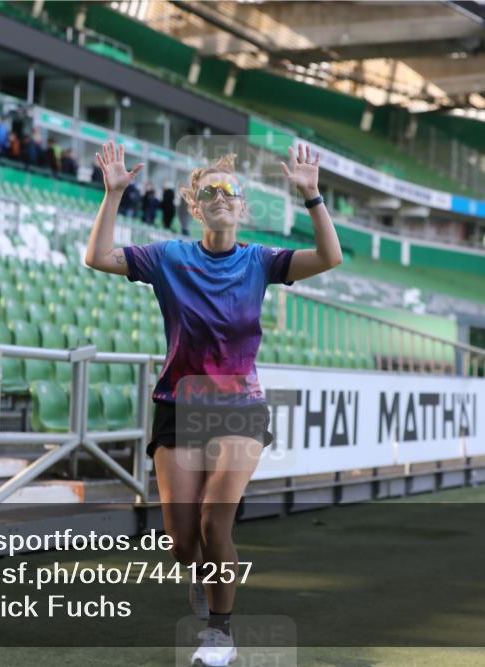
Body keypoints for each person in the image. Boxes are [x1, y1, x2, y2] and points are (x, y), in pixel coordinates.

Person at [85, 141, 342, 666]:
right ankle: (202, 582)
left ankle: (220, 635)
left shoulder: (261, 260)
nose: (221, 196)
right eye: (210, 191)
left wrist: (313, 197)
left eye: (231, 191)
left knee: (212, 521)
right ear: (194, 205)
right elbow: (97, 257)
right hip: (177, 403)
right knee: (182, 543)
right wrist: (113, 195)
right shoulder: (168, 256)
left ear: (243, 208)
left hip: (240, 406)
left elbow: (328, 257)